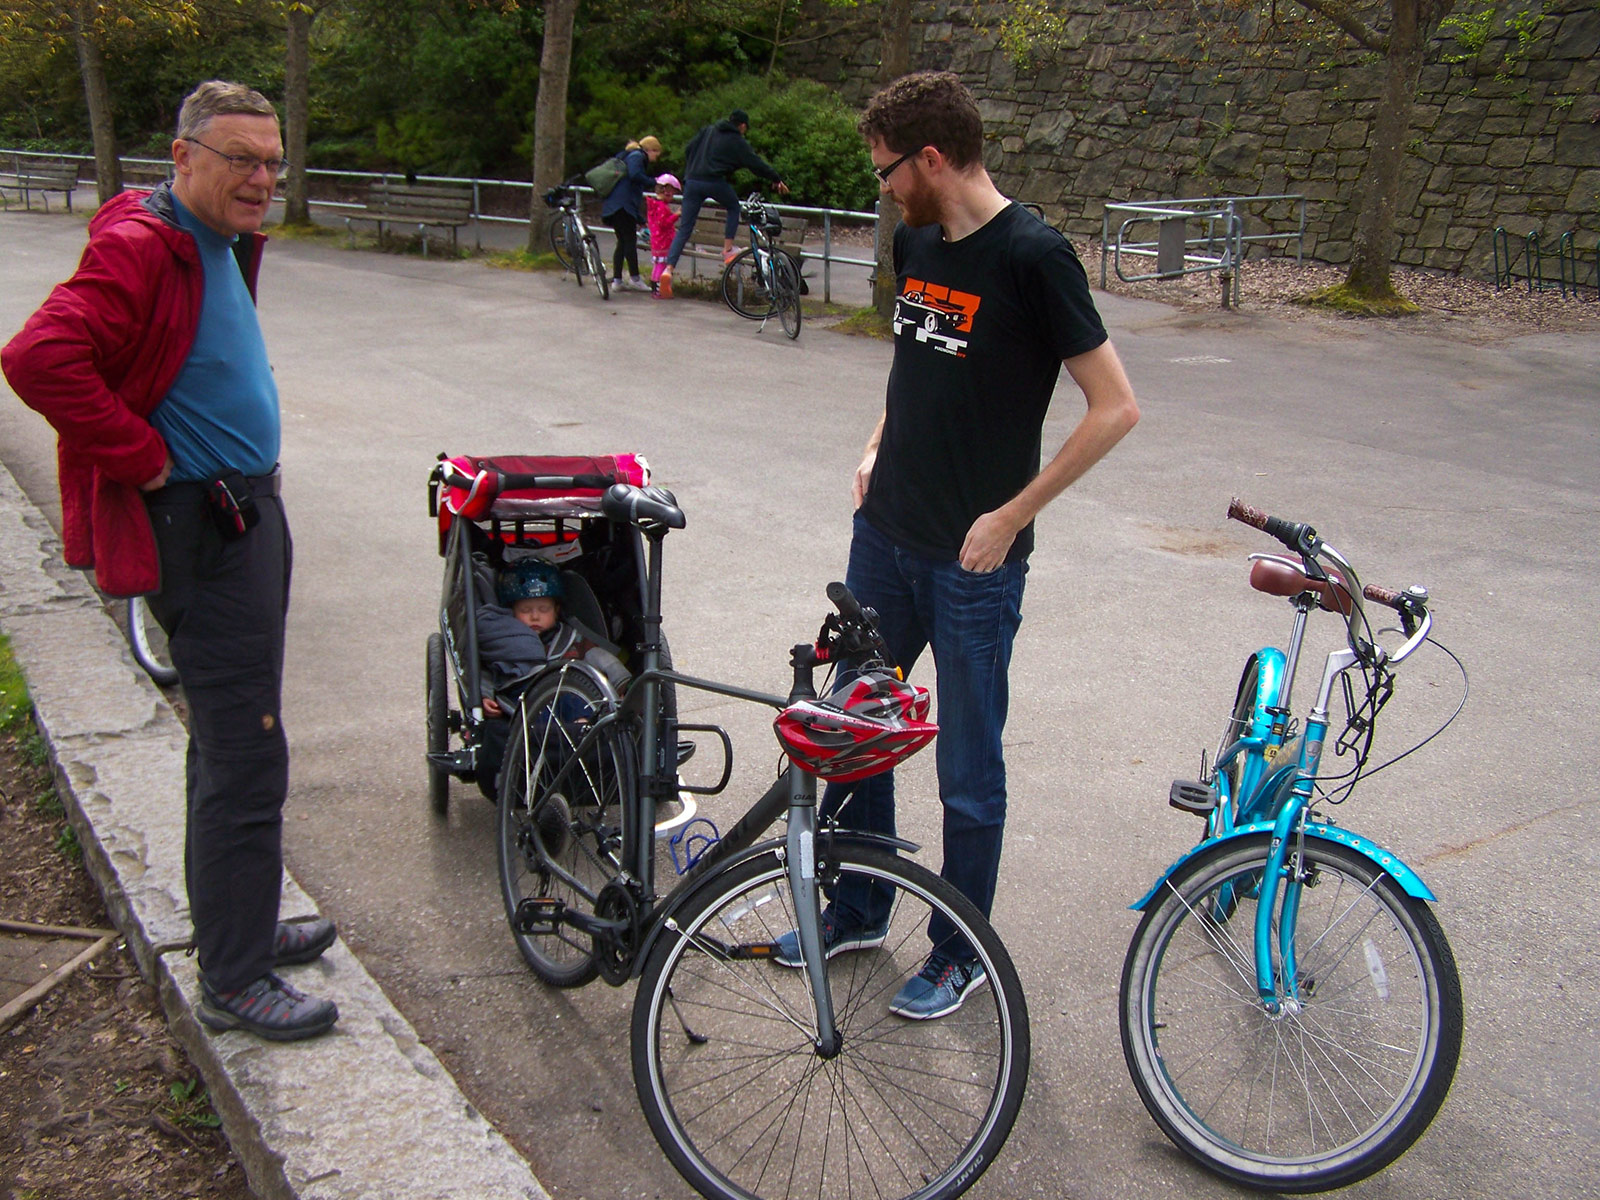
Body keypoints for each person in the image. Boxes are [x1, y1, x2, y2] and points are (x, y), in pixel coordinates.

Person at [788, 71, 1141, 1020]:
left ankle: (959, 949)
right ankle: (858, 905)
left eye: (888, 171)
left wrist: (1012, 514)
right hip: (884, 541)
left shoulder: (1034, 256)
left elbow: (1116, 408)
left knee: (967, 771)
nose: (883, 188)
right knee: (856, 733)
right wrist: (873, 443)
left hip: (973, 563)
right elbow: (917, 362)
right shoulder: (915, 241)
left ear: (931, 158)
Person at [1, 80, 340, 1042]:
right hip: (207, 524)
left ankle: (244, 926)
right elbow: (38, 358)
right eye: (240, 159)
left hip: (240, 513)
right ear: (183, 156)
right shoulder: (143, 241)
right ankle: (236, 979)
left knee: (236, 737)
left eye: (272, 161)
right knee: (246, 750)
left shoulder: (204, 237)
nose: (262, 179)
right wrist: (144, 458)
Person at [473, 559, 631, 797]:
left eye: (543, 609)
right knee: (541, 702)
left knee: (575, 690)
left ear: (557, 610)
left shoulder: (571, 638)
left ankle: (582, 728)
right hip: (526, 698)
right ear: (511, 611)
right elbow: (487, 670)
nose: (535, 616)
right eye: (526, 610)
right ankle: (547, 743)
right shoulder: (507, 642)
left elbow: (601, 657)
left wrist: (621, 683)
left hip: (568, 689)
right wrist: (483, 696)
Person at [656, 109, 789, 298]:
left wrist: (694, 166)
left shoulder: (708, 130)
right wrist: (776, 179)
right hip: (713, 180)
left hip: (692, 181)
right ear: (742, 126)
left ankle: (668, 269)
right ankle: (727, 250)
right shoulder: (736, 140)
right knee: (734, 206)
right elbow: (755, 163)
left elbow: (688, 148)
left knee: (685, 228)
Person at [600, 135, 662, 292]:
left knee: (622, 243)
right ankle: (635, 279)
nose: (657, 156)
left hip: (615, 206)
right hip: (623, 207)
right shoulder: (638, 156)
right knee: (629, 242)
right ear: (650, 149)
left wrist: (639, 218)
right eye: (656, 152)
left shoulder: (629, 156)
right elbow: (635, 176)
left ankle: (617, 280)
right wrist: (655, 182)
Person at [646, 173, 680, 295]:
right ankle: (660, 289)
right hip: (663, 241)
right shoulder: (662, 207)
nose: (672, 196)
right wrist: (676, 215)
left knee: (657, 265)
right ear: (666, 192)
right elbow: (663, 224)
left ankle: (654, 287)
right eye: (672, 193)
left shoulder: (654, 205)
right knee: (661, 265)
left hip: (656, 240)